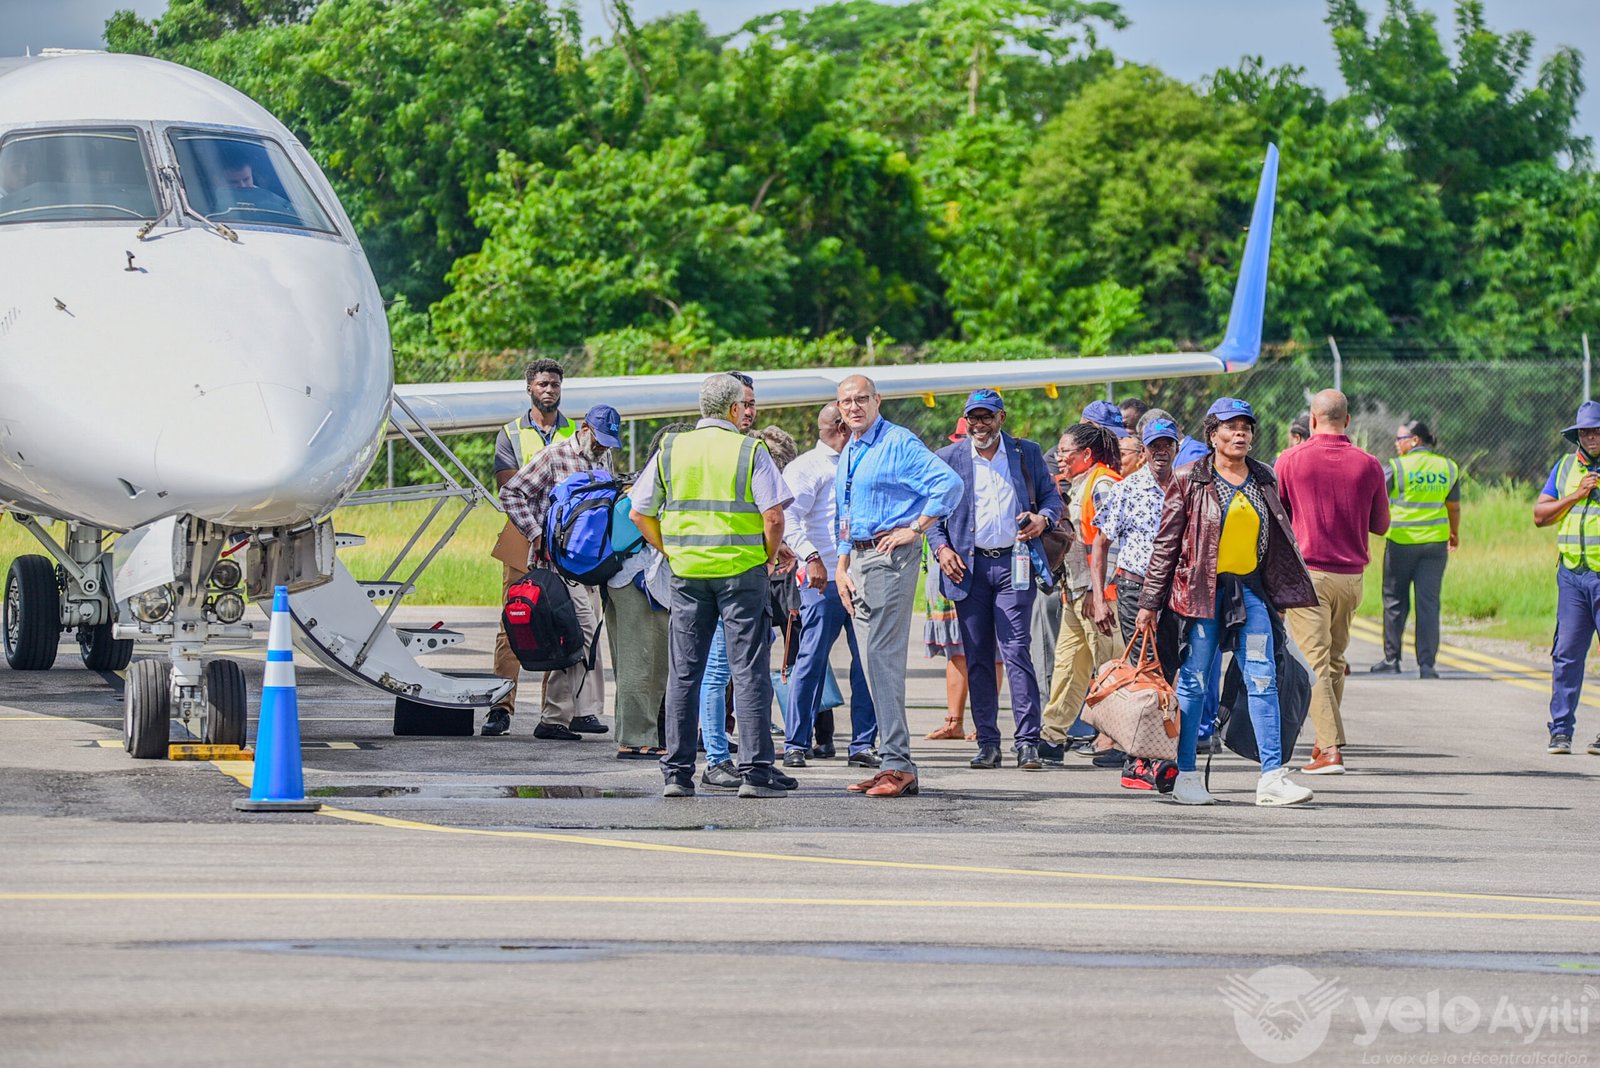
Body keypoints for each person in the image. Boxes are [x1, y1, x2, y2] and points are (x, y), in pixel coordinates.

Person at [1136, 397, 1320, 807]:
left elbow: (1278, 542)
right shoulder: (1188, 479)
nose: (1240, 433)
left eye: (1246, 427)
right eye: (1230, 426)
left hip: (1250, 593)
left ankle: (1272, 778)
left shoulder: (1264, 478)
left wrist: (1282, 593)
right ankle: (1185, 776)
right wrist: (1149, 603)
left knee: (1261, 675)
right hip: (1201, 594)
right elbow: (1165, 545)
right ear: (1213, 434)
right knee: (1195, 680)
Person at [630, 374, 794, 799]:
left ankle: (678, 774)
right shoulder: (749, 449)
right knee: (748, 671)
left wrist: (671, 549)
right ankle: (755, 774)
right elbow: (773, 516)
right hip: (742, 573)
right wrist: (768, 555)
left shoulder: (670, 448)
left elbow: (638, 512)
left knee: (685, 673)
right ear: (734, 409)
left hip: (688, 574)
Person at [834, 374, 963, 798]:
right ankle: (893, 759)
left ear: (877, 401)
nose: (853, 407)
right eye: (846, 401)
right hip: (860, 559)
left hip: (890, 557)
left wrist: (917, 528)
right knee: (871, 665)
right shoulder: (852, 447)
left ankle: (897, 764)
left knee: (881, 659)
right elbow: (847, 509)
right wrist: (841, 562)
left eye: (861, 399)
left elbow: (949, 484)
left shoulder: (898, 442)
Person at [928, 389, 1063, 771]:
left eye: (987, 417)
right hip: (967, 569)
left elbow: (1053, 499)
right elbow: (933, 516)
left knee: (1017, 650)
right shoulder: (950, 458)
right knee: (977, 656)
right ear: (966, 420)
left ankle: (1027, 743)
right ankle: (988, 742)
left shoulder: (1026, 453)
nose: (980, 424)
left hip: (1013, 565)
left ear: (1002, 418)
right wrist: (942, 550)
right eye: (974, 417)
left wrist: (1043, 519)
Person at [1276, 389, 1390, 776]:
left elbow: (1280, 519)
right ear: (1348, 420)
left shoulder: (1290, 460)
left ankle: (1329, 749)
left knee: (1314, 663)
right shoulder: (1370, 464)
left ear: (1311, 420)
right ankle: (1323, 744)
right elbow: (1380, 525)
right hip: (1352, 578)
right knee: (1335, 662)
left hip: (1307, 574)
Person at [499, 405, 625, 744]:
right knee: (579, 631)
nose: (603, 449)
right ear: (584, 429)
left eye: (608, 445)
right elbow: (511, 492)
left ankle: (557, 717)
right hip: (555, 566)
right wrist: (536, 532)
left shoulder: (602, 460)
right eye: (599, 441)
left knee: (575, 635)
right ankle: (582, 711)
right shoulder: (553, 456)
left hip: (588, 565)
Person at [781, 404, 878, 768]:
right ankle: (796, 741)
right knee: (812, 659)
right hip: (822, 580)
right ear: (841, 425)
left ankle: (863, 743)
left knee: (866, 661)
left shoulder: (862, 459)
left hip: (862, 573)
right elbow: (790, 517)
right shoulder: (808, 467)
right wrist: (811, 557)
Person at [485, 359, 576, 736]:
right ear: (530, 388)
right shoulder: (510, 433)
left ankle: (553, 715)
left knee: (560, 623)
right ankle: (501, 708)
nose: (549, 390)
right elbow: (510, 487)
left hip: (565, 539)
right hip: (523, 534)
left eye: (555, 384)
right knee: (514, 619)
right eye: (542, 384)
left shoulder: (574, 430)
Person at [1040, 422, 1122, 766]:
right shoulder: (1078, 484)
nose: (1059, 458)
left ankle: (1120, 739)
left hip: (1099, 598)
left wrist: (1097, 591)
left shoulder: (1103, 485)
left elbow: (1114, 542)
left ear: (1086, 455)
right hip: (1075, 593)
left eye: (1065, 452)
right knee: (1069, 667)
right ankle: (1052, 737)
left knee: (1110, 668)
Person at [605, 425, 681, 760]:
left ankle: (631, 734)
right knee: (645, 662)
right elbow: (644, 520)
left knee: (630, 662)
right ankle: (638, 739)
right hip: (640, 582)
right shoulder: (658, 480)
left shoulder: (640, 477)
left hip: (620, 580)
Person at [1532, 401, 1600, 756]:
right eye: (1586, 431)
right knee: (1567, 655)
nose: (1591, 437)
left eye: (1597, 430)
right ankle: (1560, 731)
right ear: (1577, 435)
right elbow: (1540, 516)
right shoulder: (1565, 468)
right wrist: (1576, 495)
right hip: (1573, 576)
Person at [1095, 411, 1183, 677]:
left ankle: (1171, 720)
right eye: (1155, 445)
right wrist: (1099, 599)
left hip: (1176, 592)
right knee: (1144, 670)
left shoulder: (1187, 488)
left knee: (1172, 669)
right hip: (1136, 588)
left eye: (1167, 445)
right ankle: (1150, 720)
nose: (1161, 452)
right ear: (1144, 450)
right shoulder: (1127, 489)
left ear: (1176, 448)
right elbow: (1101, 543)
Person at [1372, 420, 1460, 678]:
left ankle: (1392, 659)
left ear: (1415, 441)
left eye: (1401, 438)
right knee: (1428, 604)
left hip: (1401, 543)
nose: (1396, 443)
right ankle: (1427, 664)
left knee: (1394, 601)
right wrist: (1453, 534)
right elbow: (1453, 507)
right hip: (1434, 545)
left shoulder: (1398, 467)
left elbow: (1376, 497)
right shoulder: (1448, 467)